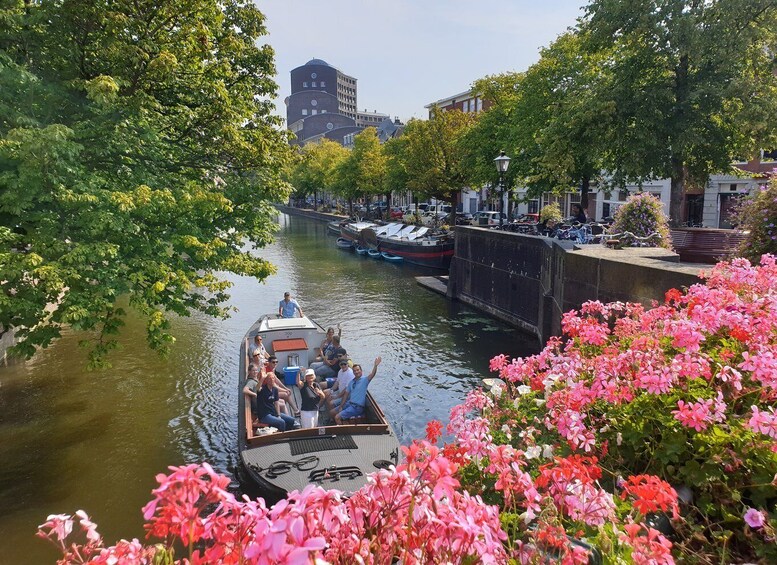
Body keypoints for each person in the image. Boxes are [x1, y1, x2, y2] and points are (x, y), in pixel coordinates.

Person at [334, 356, 381, 424]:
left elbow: (372, 374)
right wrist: (341, 406)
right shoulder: (351, 382)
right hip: (349, 404)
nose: (356, 372)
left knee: (337, 417)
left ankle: (343, 432)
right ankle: (339, 423)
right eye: (354, 371)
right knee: (332, 412)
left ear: (361, 371)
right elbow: (345, 395)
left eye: (358, 370)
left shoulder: (365, 380)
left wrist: (375, 365)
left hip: (357, 407)